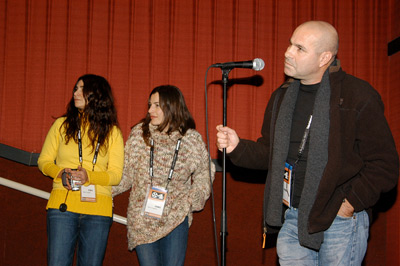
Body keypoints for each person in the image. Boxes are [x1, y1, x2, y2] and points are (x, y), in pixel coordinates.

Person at [216, 21, 399, 265]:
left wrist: (349, 205)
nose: (288, 52)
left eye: (299, 48)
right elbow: (270, 154)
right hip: (292, 217)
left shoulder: (358, 95)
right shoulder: (282, 96)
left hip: (338, 220)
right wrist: (238, 147)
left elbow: (384, 165)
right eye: (290, 44)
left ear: (325, 57)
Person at [112, 85, 215, 266]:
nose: (150, 110)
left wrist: (192, 199)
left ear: (172, 106)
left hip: (175, 217)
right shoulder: (139, 135)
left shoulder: (191, 139)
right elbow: (126, 174)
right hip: (142, 218)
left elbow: (204, 173)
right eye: (150, 105)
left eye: (157, 105)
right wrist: (100, 188)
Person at [38, 74, 124, 266]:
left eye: (81, 89)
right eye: (75, 89)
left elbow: (116, 175)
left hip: (98, 210)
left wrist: (88, 176)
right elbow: (43, 161)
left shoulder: (113, 132)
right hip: (63, 206)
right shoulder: (61, 125)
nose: (75, 93)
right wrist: (61, 173)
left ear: (97, 95)